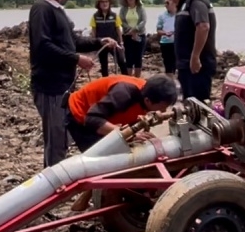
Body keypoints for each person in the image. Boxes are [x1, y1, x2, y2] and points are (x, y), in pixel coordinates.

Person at [64, 74, 179, 210]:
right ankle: (86, 200)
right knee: (103, 161)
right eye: (162, 107)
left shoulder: (147, 91)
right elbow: (92, 119)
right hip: (81, 116)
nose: (163, 111)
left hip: (103, 116)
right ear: (148, 100)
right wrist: (129, 135)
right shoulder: (123, 94)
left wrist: (132, 133)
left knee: (121, 151)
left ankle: (89, 198)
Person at [27, 0, 101, 168]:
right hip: (50, 86)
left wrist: (99, 42)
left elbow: (73, 42)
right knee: (56, 139)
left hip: (63, 85)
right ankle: (53, 180)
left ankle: (58, 177)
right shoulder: (42, 8)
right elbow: (43, 46)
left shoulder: (57, 9)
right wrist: (76, 59)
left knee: (63, 135)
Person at [166, 0, 217, 102]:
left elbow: (203, 26)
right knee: (189, 102)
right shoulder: (186, 2)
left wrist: (195, 56)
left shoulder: (195, 0)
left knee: (198, 103)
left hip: (196, 66)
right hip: (187, 65)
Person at [89, 0, 125, 76]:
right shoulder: (95, 16)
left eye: (106, 2)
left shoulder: (114, 15)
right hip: (102, 44)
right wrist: (94, 44)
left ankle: (126, 79)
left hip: (114, 43)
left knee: (121, 61)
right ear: (98, 4)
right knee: (103, 65)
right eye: (102, 2)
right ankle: (106, 81)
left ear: (109, 3)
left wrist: (121, 43)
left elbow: (118, 29)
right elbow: (93, 31)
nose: (105, 4)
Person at [119, 0, 147, 77]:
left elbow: (143, 21)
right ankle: (129, 79)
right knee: (129, 58)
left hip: (140, 35)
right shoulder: (123, 9)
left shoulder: (141, 8)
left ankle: (137, 79)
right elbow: (121, 21)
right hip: (127, 36)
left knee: (138, 58)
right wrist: (130, 30)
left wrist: (135, 29)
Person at [156, 0, 177, 75]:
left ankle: (173, 78)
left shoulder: (179, 15)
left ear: (174, 3)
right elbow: (158, 30)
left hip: (177, 43)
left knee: (176, 64)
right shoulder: (162, 16)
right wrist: (165, 33)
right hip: (165, 42)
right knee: (168, 64)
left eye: (168, 3)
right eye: (165, 3)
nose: (166, 5)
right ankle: (169, 78)